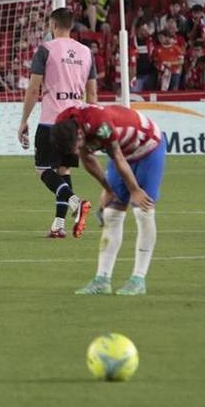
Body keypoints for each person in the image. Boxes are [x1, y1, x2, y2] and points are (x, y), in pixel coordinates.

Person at [52, 103, 164, 296]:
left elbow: (118, 157)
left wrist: (135, 190)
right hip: (122, 152)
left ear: (79, 134)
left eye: (76, 147)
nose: (76, 151)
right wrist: (108, 190)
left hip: (148, 147)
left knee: (142, 210)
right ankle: (102, 280)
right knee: (111, 213)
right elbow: (86, 157)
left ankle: (138, 279)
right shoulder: (63, 124)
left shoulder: (99, 124)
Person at [17, 8, 98, 239]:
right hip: (75, 121)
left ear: (53, 25)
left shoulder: (46, 49)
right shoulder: (85, 52)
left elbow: (34, 89)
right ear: (70, 26)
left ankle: (75, 202)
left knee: (43, 169)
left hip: (52, 120)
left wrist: (23, 120)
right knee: (64, 170)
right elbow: (92, 94)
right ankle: (58, 225)